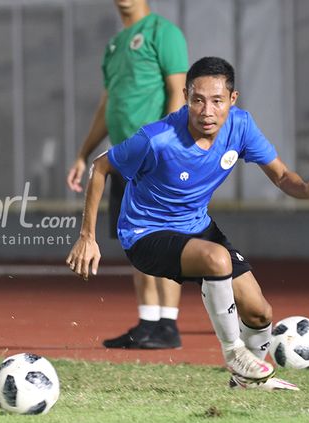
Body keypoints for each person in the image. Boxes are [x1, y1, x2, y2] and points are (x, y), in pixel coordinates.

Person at [66, 56, 309, 390]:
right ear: (185, 97)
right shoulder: (157, 138)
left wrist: (308, 189)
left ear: (232, 100)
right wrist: (87, 236)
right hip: (145, 233)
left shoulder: (241, 127)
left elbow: (283, 177)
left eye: (217, 101)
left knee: (260, 314)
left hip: (195, 227)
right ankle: (233, 352)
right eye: (197, 100)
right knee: (216, 258)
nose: (207, 111)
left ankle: (245, 385)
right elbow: (100, 167)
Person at [66, 0, 189, 350]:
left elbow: (176, 93)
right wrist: (82, 154)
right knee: (135, 240)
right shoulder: (115, 45)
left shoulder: (163, 33)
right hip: (123, 159)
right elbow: (108, 105)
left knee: (163, 239)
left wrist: (165, 147)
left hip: (153, 158)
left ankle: (169, 324)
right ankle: (149, 323)